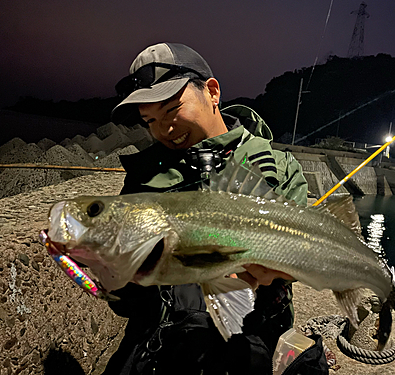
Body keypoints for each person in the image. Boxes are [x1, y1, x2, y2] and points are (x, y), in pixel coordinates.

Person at [103, 42, 313, 375]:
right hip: (166, 344)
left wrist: (282, 267)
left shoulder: (279, 169)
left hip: (252, 338)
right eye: (150, 120)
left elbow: (304, 257)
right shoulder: (143, 183)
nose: (163, 129)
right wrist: (113, 281)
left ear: (212, 92)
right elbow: (131, 304)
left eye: (172, 109)